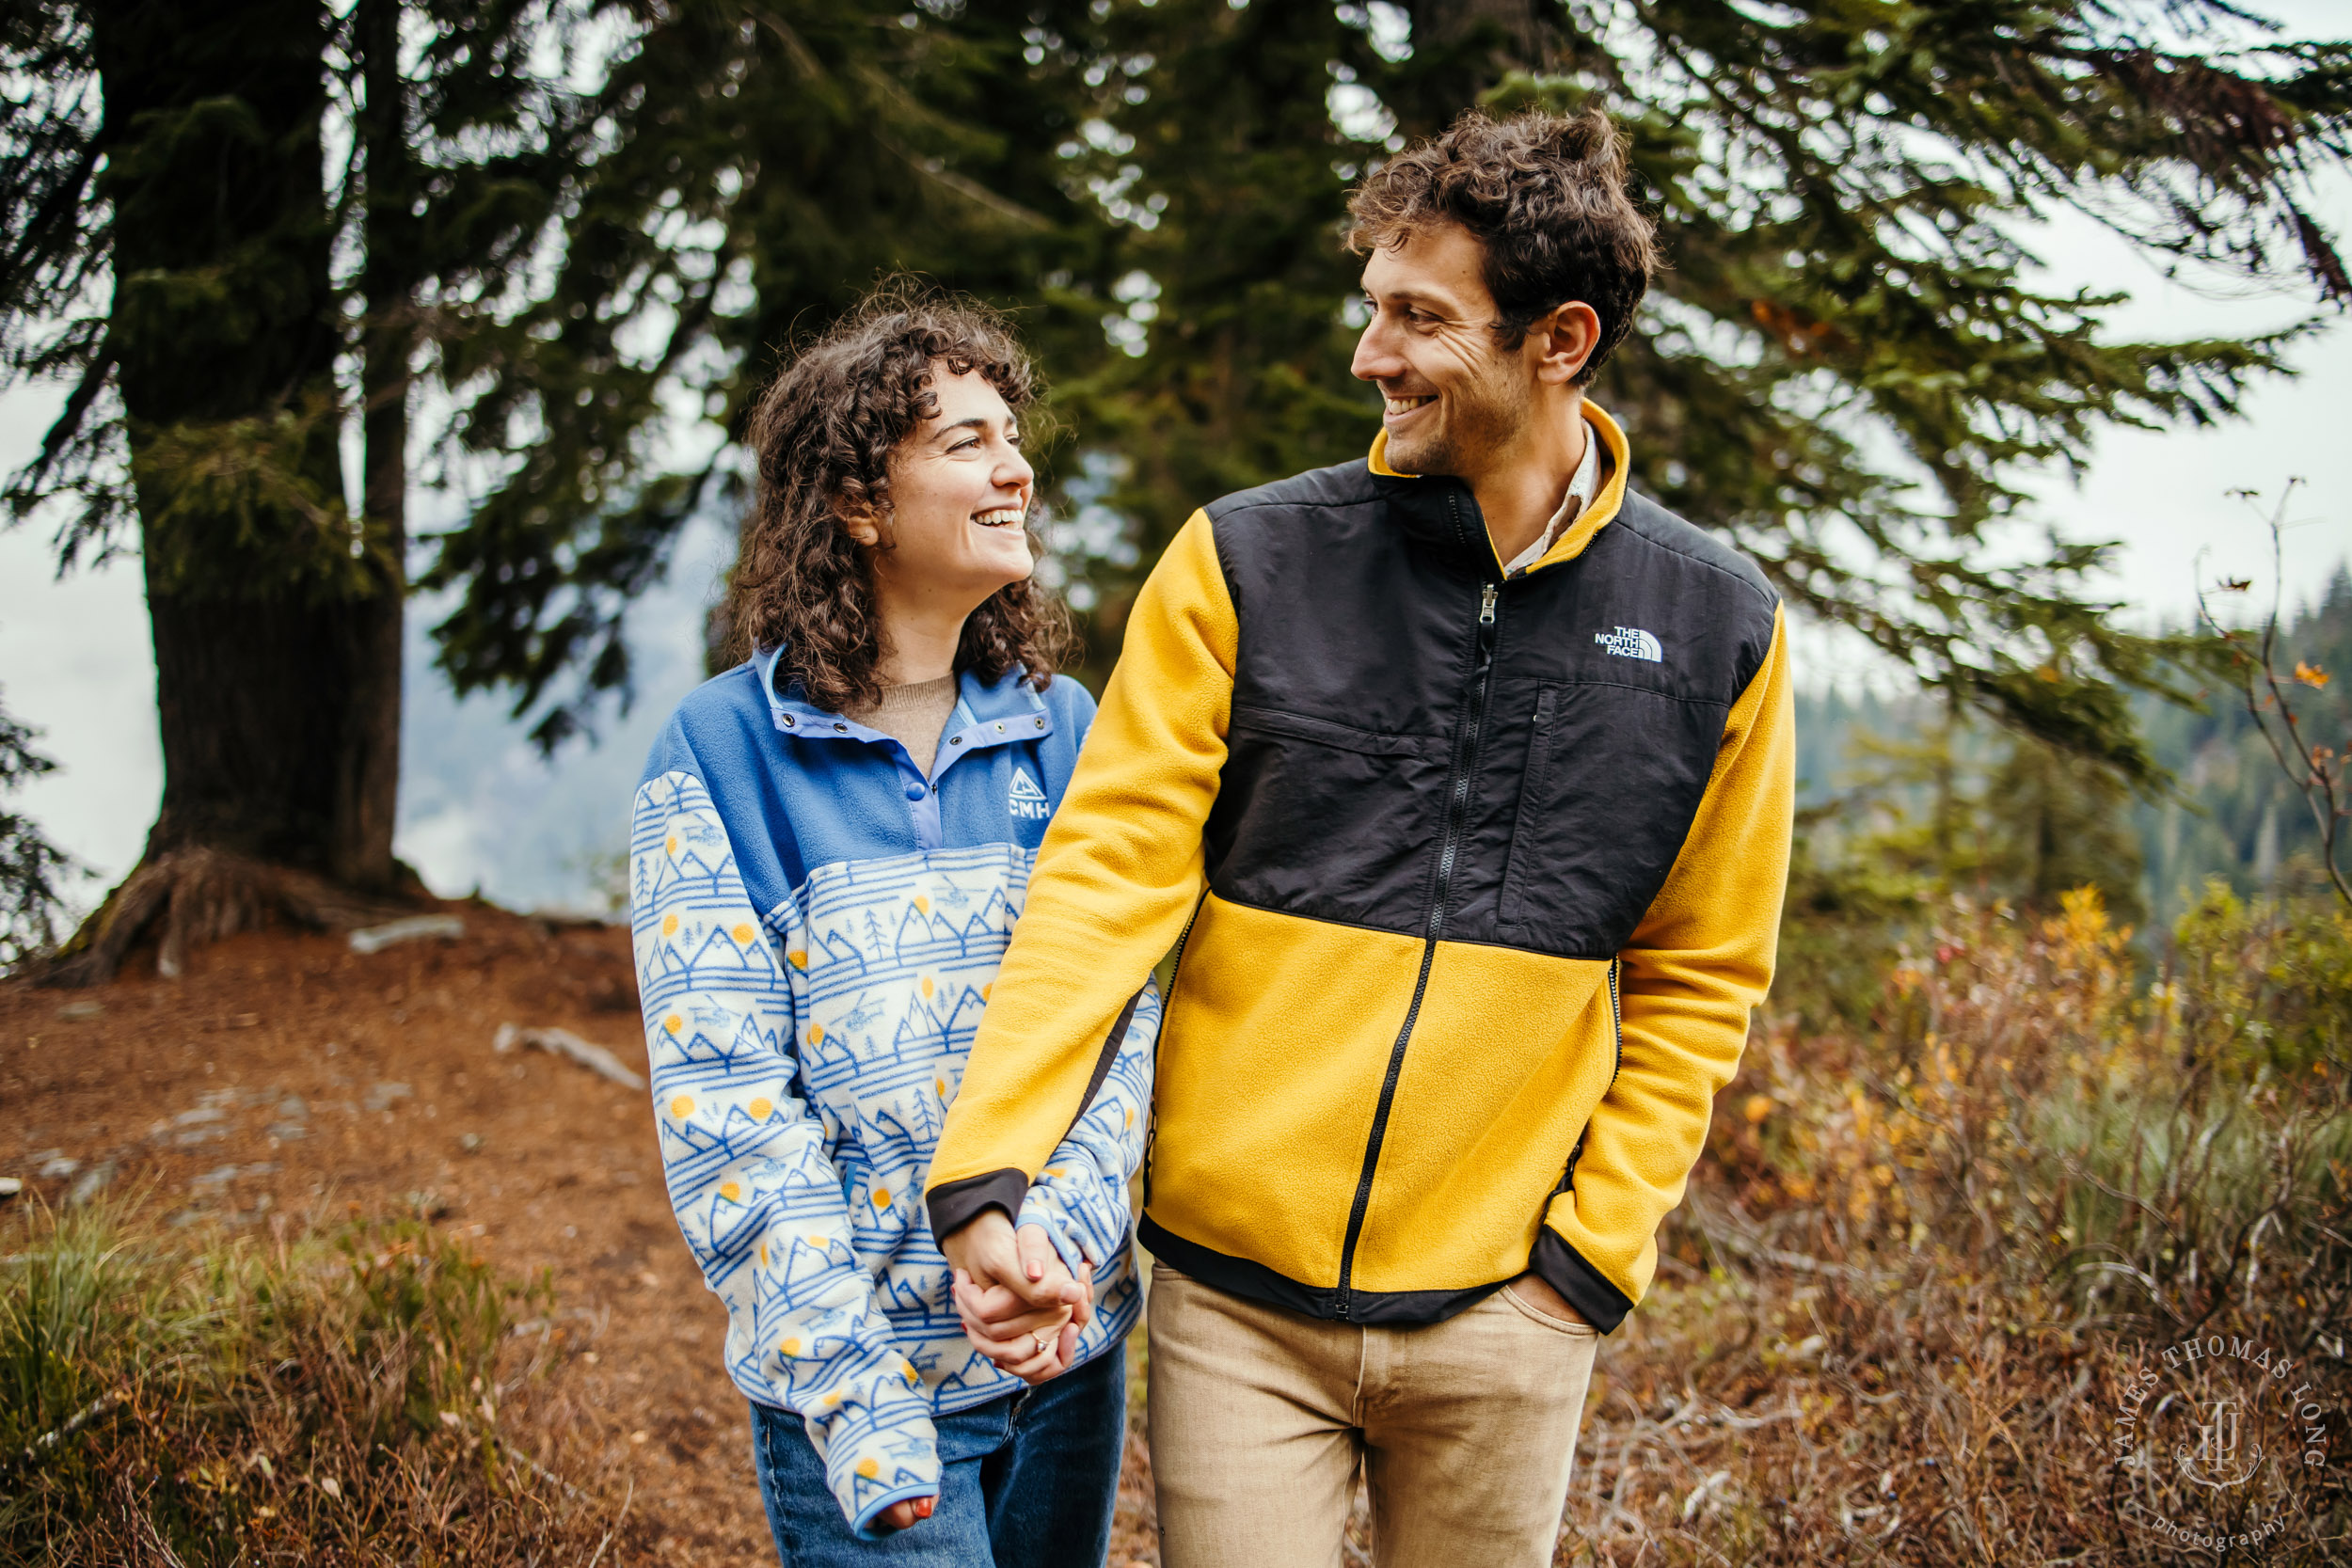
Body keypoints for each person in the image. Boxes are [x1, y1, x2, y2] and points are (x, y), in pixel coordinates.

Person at [925, 108, 1795, 1568]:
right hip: (1236, 1309)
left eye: (1418, 318)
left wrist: (1588, 1263)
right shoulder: (1246, 560)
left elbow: (1702, 973)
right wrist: (987, 1163)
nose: (1368, 355)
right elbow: (1105, 883)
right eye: (1369, 308)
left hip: (1509, 1315)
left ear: (1560, 339)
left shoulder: (1721, 627)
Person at [628, 286, 1155, 1566]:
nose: (1015, 468)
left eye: (1010, 436)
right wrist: (858, 1396)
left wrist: (1057, 1259)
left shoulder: (1066, 728)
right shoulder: (722, 755)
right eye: (966, 442)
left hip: (1062, 1355)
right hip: (858, 1387)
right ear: (862, 504)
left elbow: (1124, 1021)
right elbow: (730, 1113)